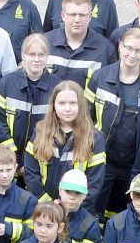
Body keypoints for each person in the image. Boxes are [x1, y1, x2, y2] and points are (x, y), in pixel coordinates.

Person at [85, 29, 140, 218]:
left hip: (137, 163)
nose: (132, 54)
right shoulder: (100, 78)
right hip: (103, 159)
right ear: (120, 47)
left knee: (130, 213)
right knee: (94, 208)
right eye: (128, 48)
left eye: (138, 51)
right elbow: (85, 119)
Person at [23, 80, 106, 208]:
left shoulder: (94, 138)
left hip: (77, 210)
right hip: (45, 208)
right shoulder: (40, 131)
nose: (67, 108)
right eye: (61, 103)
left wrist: (71, 207)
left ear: (81, 106)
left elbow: (95, 182)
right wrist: (48, 204)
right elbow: (31, 173)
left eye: (73, 103)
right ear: (53, 106)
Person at [0, 33, 55, 169]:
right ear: (23, 55)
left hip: (41, 162)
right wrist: (15, 159)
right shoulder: (6, 83)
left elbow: (55, 127)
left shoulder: (57, 87)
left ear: (47, 56)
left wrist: (31, 162)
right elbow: (0, 125)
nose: (36, 59)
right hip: (7, 161)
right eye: (32, 54)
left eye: (41, 55)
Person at [44, 0, 117, 88]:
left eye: (82, 15)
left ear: (90, 16)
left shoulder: (105, 49)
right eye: (72, 14)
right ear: (63, 16)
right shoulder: (45, 43)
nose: (77, 19)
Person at [57, 169, 102, 243]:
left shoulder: (91, 224)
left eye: (77, 193)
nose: (72, 197)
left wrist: (64, 241)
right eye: (68, 191)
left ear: (85, 195)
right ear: (60, 191)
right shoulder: (46, 214)